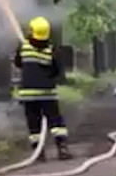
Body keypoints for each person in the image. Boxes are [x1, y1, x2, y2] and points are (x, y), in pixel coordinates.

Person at [14, 16, 72, 161]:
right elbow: (57, 71)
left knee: (34, 123)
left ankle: (38, 153)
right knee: (56, 122)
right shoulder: (52, 49)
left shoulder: (23, 47)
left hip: (28, 94)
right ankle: (62, 148)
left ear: (32, 31)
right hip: (47, 93)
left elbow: (18, 63)